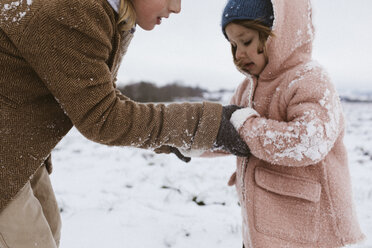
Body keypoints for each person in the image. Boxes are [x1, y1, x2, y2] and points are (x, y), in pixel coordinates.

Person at [0, 0, 250, 247]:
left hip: (18, 151)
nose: (177, 7)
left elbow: (100, 96)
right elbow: (103, 117)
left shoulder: (109, 15)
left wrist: (175, 136)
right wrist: (203, 125)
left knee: (50, 226)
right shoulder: (74, 9)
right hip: (7, 154)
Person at [214, 0, 366, 247]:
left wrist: (248, 125)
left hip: (308, 233)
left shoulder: (308, 79)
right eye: (233, 45)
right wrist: (189, 142)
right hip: (262, 230)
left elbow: (309, 142)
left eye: (247, 41)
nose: (238, 54)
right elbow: (230, 133)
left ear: (277, 33)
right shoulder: (246, 89)